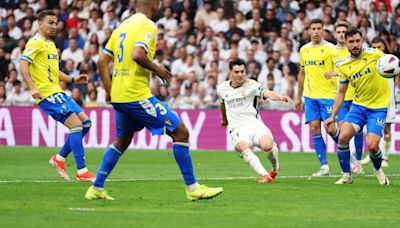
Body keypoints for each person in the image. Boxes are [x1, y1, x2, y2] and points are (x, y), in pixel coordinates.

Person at [85, 0, 223, 201]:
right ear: (154, 5)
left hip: (120, 96)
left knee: (122, 141)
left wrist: (109, 90)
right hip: (136, 95)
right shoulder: (148, 25)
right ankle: (193, 189)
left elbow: (102, 61)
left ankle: (96, 187)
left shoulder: (121, 27)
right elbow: (137, 54)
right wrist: (157, 69)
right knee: (181, 132)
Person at [19, 10, 95, 182]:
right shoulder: (35, 42)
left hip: (58, 92)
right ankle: (82, 171)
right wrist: (32, 88)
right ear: (40, 24)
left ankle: (59, 158)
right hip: (47, 94)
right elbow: (23, 65)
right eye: (50, 23)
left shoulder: (51, 45)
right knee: (76, 126)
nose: (54, 26)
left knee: (86, 124)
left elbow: (55, 72)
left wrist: (73, 79)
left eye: (55, 23)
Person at [324, 28, 390, 185]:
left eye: (357, 41)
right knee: (343, 136)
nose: (355, 45)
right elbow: (341, 93)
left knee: (373, 145)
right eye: (351, 42)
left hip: (378, 107)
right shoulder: (344, 65)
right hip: (359, 106)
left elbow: (392, 64)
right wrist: (332, 117)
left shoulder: (375, 54)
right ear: (346, 43)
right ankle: (347, 175)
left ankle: (378, 170)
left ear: (362, 40)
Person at [217, 58, 291, 183]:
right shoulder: (222, 89)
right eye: (236, 72)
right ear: (230, 73)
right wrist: (224, 119)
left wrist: (280, 97)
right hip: (237, 128)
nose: (240, 75)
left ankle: (274, 169)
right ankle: (265, 175)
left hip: (254, 124)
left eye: (242, 71)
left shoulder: (252, 84)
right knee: (242, 146)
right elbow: (222, 103)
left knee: (267, 146)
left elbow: (267, 93)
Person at [294, 19, 342, 177]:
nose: (316, 31)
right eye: (313, 29)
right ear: (308, 31)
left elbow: (342, 70)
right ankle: (324, 167)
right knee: (314, 128)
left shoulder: (331, 49)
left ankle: (349, 156)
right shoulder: (304, 50)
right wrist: (298, 96)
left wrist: (334, 73)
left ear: (323, 31)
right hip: (310, 96)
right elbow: (302, 74)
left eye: (319, 28)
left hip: (328, 96)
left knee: (331, 129)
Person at [324, 21, 364, 175]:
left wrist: (334, 73)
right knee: (341, 128)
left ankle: (358, 161)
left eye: (343, 32)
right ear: (335, 34)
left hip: (355, 95)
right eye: (338, 32)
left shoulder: (353, 51)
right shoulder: (331, 52)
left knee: (358, 131)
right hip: (340, 96)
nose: (341, 34)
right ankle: (351, 160)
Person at [360, 37, 395, 167]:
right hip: (373, 100)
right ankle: (372, 154)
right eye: (373, 47)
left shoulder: (391, 61)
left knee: (386, 130)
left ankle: (385, 158)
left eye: (378, 47)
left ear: (383, 47)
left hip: (388, 101)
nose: (376, 50)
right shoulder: (370, 61)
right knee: (371, 130)